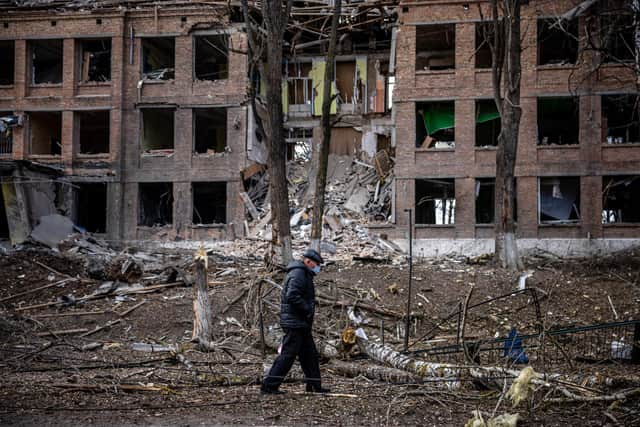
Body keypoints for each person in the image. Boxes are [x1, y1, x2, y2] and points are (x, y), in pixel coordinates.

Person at [260, 249, 330, 394]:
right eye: (316, 264)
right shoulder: (298, 273)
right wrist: (307, 308)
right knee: (287, 356)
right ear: (308, 262)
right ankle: (269, 386)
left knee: (310, 355)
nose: (318, 267)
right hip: (295, 323)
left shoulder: (303, 273)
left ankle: (314, 386)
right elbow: (292, 295)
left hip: (300, 323)